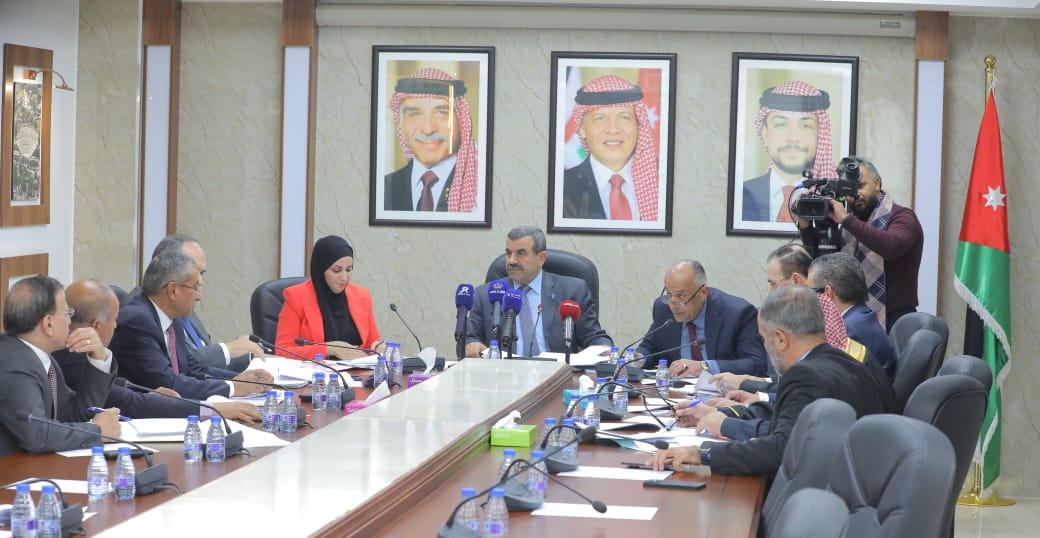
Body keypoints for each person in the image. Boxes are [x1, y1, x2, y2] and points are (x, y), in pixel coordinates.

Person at [648, 286, 897, 477]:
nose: (766, 347)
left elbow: (781, 448)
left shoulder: (806, 375)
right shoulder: (842, 360)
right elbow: (789, 423)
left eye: (764, 339)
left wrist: (700, 454)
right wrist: (725, 415)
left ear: (780, 339)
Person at [55, 279, 261, 423]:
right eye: (114, 320)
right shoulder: (72, 354)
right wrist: (212, 410)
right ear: (97, 325)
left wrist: (148, 393)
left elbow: (117, 386)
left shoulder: (75, 350)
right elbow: (131, 404)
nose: (116, 326)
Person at [109, 252, 274, 400]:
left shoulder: (170, 314)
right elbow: (169, 384)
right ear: (172, 290)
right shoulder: (136, 321)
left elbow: (191, 368)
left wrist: (238, 379)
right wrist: (233, 388)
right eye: (195, 288)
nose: (198, 297)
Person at [0, 275, 120, 457]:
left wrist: (98, 359)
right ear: (48, 323)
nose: (70, 322)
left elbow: (73, 415)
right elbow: (37, 434)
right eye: (67, 314)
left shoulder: (41, 359)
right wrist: (97, 431)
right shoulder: (15, 366)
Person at [799, 157, 923, 329]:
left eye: (860, 186)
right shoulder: (851, 224)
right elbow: (825, 265)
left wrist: (846, 220)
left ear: (877, 184)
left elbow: (891, 246)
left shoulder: (903, 217)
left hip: (896, 321)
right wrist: (805, 227)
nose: (854, 194)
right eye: (848, 190)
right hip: (853, 319)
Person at [465, 225, 612, 357]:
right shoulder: (485, 295)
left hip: (556, 374)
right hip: (504, 374)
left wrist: (604, 347)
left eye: (521, 253)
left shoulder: (572, 291)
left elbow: (592, 336)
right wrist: (472, 344)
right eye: (509, 253)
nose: (511, 261)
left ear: (541, 258)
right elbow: (471, 338)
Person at [146, 233, 263, 372]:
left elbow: (206, 366)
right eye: (195, 272)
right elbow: (183, 366)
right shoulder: (146, 318)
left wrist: (254, 359)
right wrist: (229, 349)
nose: (200, 282)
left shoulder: (185, 309)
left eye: (202, 273)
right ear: (168, 269)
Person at [637, 260, 767, 377]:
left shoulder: (737, 313)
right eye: (669, 294)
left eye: (681, 296)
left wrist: (704, 367)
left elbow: (756, 364)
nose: (673, 304)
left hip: (721, 391)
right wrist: (638, 359)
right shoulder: (663, 309)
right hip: (676, 390)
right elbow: (649, 348)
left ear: (703, 292)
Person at [562, 74, 659, 221]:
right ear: (582, 129)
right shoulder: (562, 188)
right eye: (600, 118)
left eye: (624, 117)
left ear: (638, 124)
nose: (613, 130)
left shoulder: (662, 183)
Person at [384, 68, 479, 213]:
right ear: (401, 124)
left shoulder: (480, 188)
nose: (428, 129)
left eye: (442, 113)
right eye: (414, 114)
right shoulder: (384, 188)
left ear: (461, 122)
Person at [276, 235, 385, 360]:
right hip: (316, 371)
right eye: (336, 270)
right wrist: (329, 349)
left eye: (349, 270)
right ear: (321, 269)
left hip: (357, 370)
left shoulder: (362, 296)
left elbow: (372, 342)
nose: (344, 278)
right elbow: (282, 351)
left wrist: (378, 347)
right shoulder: (296, 297)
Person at [742, 81, 834, 223]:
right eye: (781, 125)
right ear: (765, 134)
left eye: (805, 126)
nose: (793, 137)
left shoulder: (834, 200)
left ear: (820, 135)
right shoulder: (743, 194)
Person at [808, 253, 898, 379]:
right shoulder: (861, 318)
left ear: (827, 293)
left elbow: (831, 383)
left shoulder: (847, 332)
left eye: (810, 291)